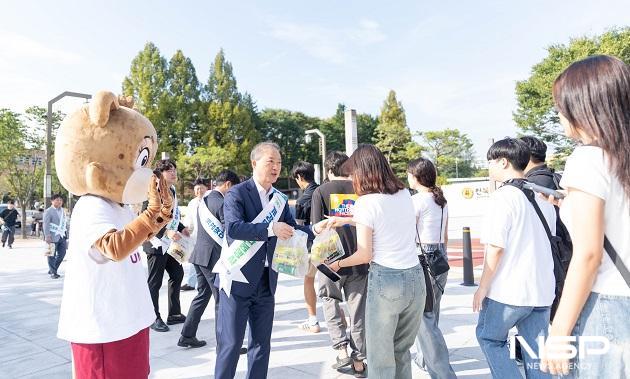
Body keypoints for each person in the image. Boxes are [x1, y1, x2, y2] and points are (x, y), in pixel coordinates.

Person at [540, 55, 630, 377]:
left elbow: (589, 255)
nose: (561, 118)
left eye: (562, 109)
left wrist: (559, 333)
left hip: (608, 305)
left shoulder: (588, 159)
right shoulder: (621, 158)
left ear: (585, 107)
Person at [214, 142, 316, 379]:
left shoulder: (279, 199)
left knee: (261, 345)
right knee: (230, 345)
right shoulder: (237, 193)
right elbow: (234, 229)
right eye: (270, 161)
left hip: (266, 282)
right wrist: (270, 228)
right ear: (254, 163)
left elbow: (291, 229)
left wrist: (316, 230)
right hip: (237, 280)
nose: (276, 167)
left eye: (279, 163)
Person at [325, 144, 425, 379]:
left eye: (353, 173)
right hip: (415, 279)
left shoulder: (366, 203)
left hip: (387, 282)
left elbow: (364, 255)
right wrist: (349, 220)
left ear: (363, 171)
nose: (352, 179)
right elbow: (387, 221)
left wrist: (337, 265)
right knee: (401, 350)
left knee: (380, 358)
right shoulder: (403, 195)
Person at [472, 138, 556, 378]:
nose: (489, 167)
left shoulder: (503, 197)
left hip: (509, 291)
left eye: (490, 162)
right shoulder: (541, 198)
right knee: (536, 351)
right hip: (541, 291)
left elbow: (496, 248)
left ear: (503, 162)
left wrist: (482, 288)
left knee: (490, 339)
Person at [311, 151, 368, 377]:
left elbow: (316, 227)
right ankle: (360, 360)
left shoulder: (320, 191)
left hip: (330, 261)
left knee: (330, 300)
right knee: (359, 310)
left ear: (328, 170)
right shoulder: (361, 189)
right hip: (359, 258)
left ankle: (342, 351)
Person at [179, 170, 247, 356]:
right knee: (222, 300)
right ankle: (224, 345)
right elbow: (229, 230)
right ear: (227, 184)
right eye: (233, 188)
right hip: (212, 259)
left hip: (200, 256)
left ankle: (187, 334)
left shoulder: (206, 199)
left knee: (202, 295)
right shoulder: (221, 201)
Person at [407, 157, 457, 379]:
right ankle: (425, 357)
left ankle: (441, 370)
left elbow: (408, 232)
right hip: (439, 257)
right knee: (432, 311)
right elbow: (445, 234)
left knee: (424, 316)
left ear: (417, 177)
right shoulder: (441, 200)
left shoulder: (417, 201)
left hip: (422, 256)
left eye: (409, 174)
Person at [142, 159, 190, 332]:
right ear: (159, 175)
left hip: (169, 245)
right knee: (154, 282)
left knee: (177, 273)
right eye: (168, 170)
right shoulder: (154, 192)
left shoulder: (172, 191)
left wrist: (181, 228)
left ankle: (174, 313)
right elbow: (147, 218)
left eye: (174, 169)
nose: (173, 172)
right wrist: (165, 233)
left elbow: (172, 217)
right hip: (155, 243)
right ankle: (153, 317)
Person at [291, 161, 321, 333]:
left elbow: (300, 228)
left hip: (312, 247)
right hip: (332, 246)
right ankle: (339, 317)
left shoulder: (302, 200)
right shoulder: (324, 191)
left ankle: (313, 321)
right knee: (331, 284)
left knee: (309, 280)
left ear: (300, 177)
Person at [181, 178, 208, 291]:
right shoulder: (192, 203)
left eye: (201, 188)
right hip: (195, 236)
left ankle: (206, 283)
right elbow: (189, 220)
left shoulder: (211, 200)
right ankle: (191, 283)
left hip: (208, 237)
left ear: (206, 188)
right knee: (193, 259)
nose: (199, 191)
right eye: (197, 189)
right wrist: (186, 229)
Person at [43, 194, 68, 278]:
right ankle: (53, 272)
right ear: (52, 201)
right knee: (50, 254)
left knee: (62, 254)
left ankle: (52, 269)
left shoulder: (63, 211)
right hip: (51, 236)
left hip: (62, 236)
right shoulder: (48, 211)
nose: (59, 201)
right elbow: (46, 224)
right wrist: (47, 235)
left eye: (61, 200)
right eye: (57, 200)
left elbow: (65, 224)